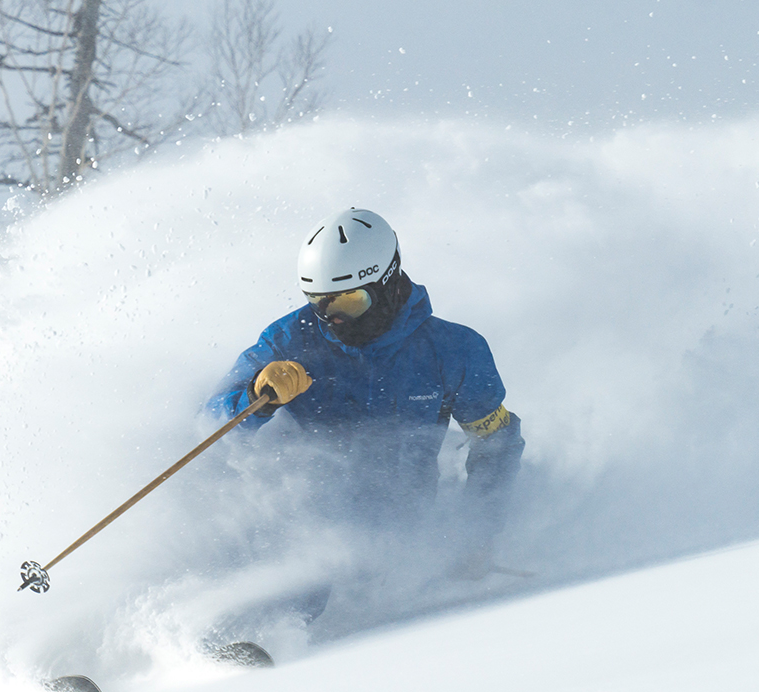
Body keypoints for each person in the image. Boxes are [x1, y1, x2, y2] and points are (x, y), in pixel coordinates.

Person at [205, 208, 524, 635]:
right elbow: (210, 425)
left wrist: (477, 533)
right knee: (305, 556)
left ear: (388, 283)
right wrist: (254, 399)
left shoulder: (451, 350)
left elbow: (496, 442)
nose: (332, 319)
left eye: (349, 302)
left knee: (337, 559)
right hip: (302, 509)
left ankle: (252, 644)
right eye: (318, 303)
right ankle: (223, 641)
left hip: (400, 525)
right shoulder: (291, 341)